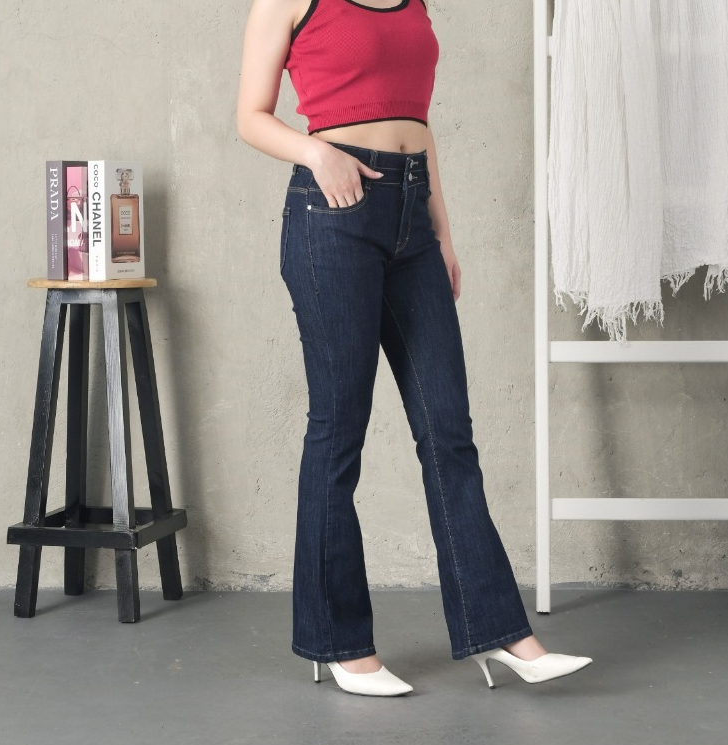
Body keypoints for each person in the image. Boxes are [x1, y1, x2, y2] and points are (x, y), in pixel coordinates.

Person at [236, 0, 592, 696]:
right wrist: (317, 152)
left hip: (412, 218)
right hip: (332, 215)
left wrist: (442, 234)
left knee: (448, 432)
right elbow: (250, 116)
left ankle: (501, 632)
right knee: (338, 430)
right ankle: (339, 642)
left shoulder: (415, 2)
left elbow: (419, 127)